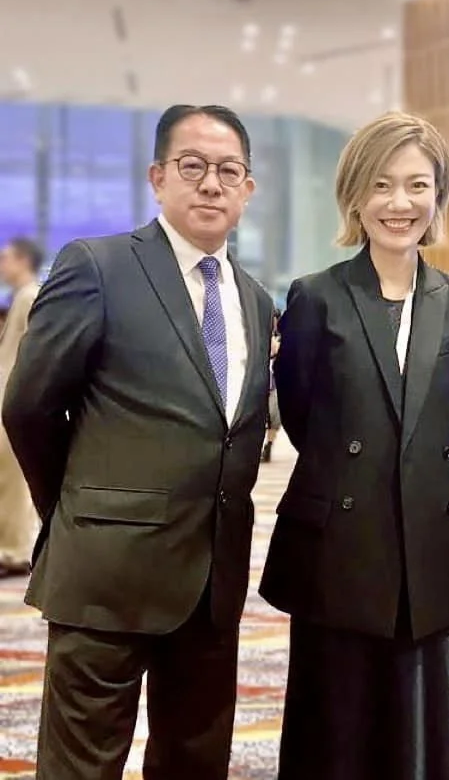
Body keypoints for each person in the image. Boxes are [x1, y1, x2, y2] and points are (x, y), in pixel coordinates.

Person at [2, 104, 274, 780]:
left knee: (194, 761)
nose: (210, 183)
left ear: (247, 188)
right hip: (106, 575)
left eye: (228, 170)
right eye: (193, 165)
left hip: (212, 581)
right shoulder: (97, 266)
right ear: (158, 177)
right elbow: (29, 406)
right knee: (82, 767)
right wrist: (77, 508)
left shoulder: (254, 298)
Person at [259, 110, 449, 780]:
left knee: (418, 729)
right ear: (355, 195)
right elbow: (302, 415)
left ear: (438, 195)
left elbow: (446, 420)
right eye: (381, 184)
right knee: (336, 731)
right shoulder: (316, 298)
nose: (399, 203)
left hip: (425, 545)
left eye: (417, 185)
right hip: (337, 545)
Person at [0, 237, 43, 577]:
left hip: (15, 401)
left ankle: (15, 553)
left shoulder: (30, 296)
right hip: (8, 397)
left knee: (14, 483)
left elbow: (35, 354)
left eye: (6, 258)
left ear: (23, 260)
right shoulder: (21, 297)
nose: (2, 264)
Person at [261, 308, 281, 463]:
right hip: (260, 383)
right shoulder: (258, 333)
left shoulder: (280, 337)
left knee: (274, 417)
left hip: (273, 384)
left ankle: (268, 446)